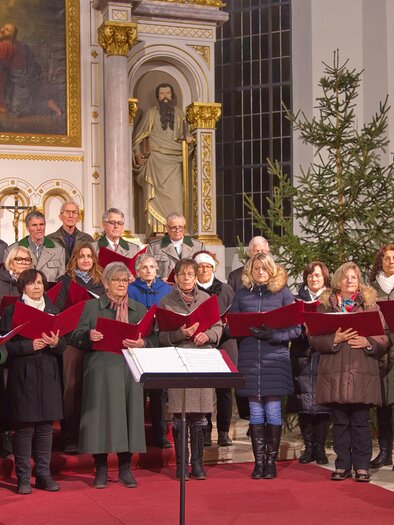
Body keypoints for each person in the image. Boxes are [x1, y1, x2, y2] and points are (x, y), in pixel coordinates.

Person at [70, 262, 157, 489]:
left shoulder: (139, 309)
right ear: (106, 284)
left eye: (124, 280)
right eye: (116, 280)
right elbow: (74, 336)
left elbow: (154, 339)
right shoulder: (91, 307)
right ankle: (100, 470)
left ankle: (125, 470)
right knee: (101, 419)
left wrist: (143, 343)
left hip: (129, 370)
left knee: (129, 417)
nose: (121, 284)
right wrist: (89, 335)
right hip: (100, 370)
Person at [311, 261, 390, 482]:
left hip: (361, 372)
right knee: (340, 423)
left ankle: (362, 466)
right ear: (338, 280)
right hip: (334, 372)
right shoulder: (326, 305)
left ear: (359, 281)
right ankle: (343, 464)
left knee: (360, 422)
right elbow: (314, 339)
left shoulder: (370, 305)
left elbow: (384, 337)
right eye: (345, 277)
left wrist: (367, 341)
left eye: (353, 277)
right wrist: (333, 340)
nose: (349, 281)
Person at [230, 253, 301, 480]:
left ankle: (271, 463)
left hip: (275, 360)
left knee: (272, 410)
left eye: (264, 268)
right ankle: (258, 462)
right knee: (256, 413)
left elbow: (296, 329)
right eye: (256, 268)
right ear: (250, 271)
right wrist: (239, 327)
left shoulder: (282, 294)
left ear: (272, 271)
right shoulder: (241, 295)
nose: (260, 272)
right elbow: (231, 327)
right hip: (250, 359)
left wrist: (274, 334)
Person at [0, 269, 66, 494]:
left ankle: (44, 475)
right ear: (23, 287)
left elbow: (63, 347)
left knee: (46, 427)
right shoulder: (11, 311)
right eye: (32, 283)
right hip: (24, 373)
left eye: (40, 283)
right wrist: (30, 346)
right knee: (26, 428)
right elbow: (5, 345)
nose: (37, 287)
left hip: (48, 373)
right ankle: (23, 478)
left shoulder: (52, 309)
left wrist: (56, 342)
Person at [158, 258, 223, 480]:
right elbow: (160, 335)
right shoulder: (165, 302)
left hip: (201, 359)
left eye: (190, 274)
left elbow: (218, 327)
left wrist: (208, 335)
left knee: (200, 417)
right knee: (180, 416)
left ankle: (197, 463)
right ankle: (180, 465)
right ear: (175, 277)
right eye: (182, 274)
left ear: (196, 277)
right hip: (177, 360)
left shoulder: (207, 299)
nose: (186, 278)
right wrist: (180, 334)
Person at [56, 241, 105, 454]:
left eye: (89, 256)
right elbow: (56, 311)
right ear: (74, 259)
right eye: (81, 256)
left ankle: (94, 436)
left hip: (97, 339)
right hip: (72, 341)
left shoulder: (102, 282)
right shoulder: (65, 282)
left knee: (96, 388)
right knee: (72, 388)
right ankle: (70, 437)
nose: (85, 260)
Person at [286, 261, 331, 465]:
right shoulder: (296, 300)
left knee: (322, 404)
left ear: (325, 279)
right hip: (302, 354)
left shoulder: (331, 299)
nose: (314, 279)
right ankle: (308, 446)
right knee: (304, 403)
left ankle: (320, 448)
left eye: (318, 276)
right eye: (311, 275)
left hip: (323, 354)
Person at [193, 250, 238, 447]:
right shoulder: (191, 289)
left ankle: (223, 431)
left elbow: (235, 315)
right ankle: (205, 430)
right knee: (203, 388)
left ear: (213, 267)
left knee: (224, 389)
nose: (204, 269)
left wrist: (223, 328)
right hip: (201, 342)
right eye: (200, 266)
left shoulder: (226, 289)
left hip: (225, 342)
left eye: (208, 266)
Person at [128, 253, 172, 449]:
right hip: (135, 344)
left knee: (158, 393)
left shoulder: (166, 290)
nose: (148, 270)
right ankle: (135, 434)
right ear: (137, 271)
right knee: (136, 392)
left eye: (151, 267)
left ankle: (159, 433)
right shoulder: (130, 289)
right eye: (144, 267)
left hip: (157, 345)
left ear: (157, 270)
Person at [133, 83, 190, 234]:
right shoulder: (151, 113)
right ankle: (158, 230)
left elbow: (187, 139)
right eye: (162, 94)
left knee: (175, 198)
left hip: (174, 163)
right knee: (155, 197)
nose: (165, 97)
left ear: (172, 96)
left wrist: (190, 141)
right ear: (157, 97)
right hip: (155, 162)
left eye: (168, 93)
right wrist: (138, 153)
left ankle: (177, 229)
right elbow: (138, 137)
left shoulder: (180, 115)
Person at [0, 246, 34, 458]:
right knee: (4, 392)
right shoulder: (2, 282)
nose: (24, 263)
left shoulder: (35, 282)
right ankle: (5, 436)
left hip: (27, 343)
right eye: (20, 259)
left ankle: (23, 438)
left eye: (27, 259)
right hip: (5, 341)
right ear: (10, 262)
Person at [0, 23, 63, 120]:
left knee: (17, 110)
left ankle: (48, 105)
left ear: (12, 35)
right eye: (3, 27)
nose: (2, 30)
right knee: (19, 106)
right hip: (23, 82)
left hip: (19, 83)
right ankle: (48, 104)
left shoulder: (5, 46)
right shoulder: (22, 45)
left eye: (7, 30)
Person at [368, 244, 394, 470]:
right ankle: (385, 452)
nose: (391, 262)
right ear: (381, 262)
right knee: (383, 403)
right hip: (381, 352)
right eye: (387, 258)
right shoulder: (372, 289)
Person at [4, 210, 65, 283]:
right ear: (27, 228)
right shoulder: (11, 250)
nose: (39, 228)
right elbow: (8, 278)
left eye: (41, 224)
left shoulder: (58, 250)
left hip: (48, 293)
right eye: (34, 225)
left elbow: (61, 280)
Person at [147, 212, 204, 279]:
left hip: (189, 286)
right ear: (167, 228)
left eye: (180, 227)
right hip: (165, 287)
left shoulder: (198, 246)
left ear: (184, 227)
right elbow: (148, 270)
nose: (177, 230)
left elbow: (203, 270)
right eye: (173, 227)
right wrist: (160, 281)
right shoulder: (154, 247)